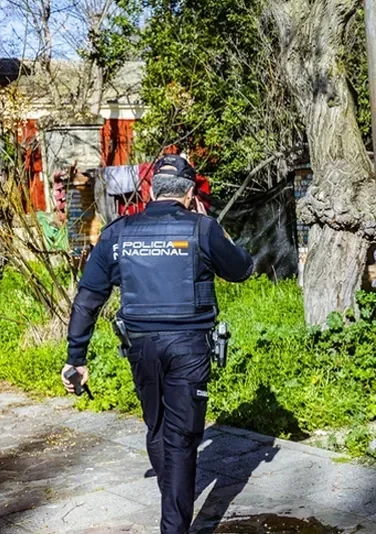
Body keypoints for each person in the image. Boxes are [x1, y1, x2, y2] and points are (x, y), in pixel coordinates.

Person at [61, 155, 254, 534]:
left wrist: (76, 358)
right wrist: (211, 226)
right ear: (189, 193)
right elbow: (242, 269)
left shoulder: (118, 233)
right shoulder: (202, 228)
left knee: (157, 428)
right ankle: (174, 524)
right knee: (180, 439)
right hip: (189, 347)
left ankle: (172, 505)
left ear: (150, 191)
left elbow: (87, 298)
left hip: (141, 347)